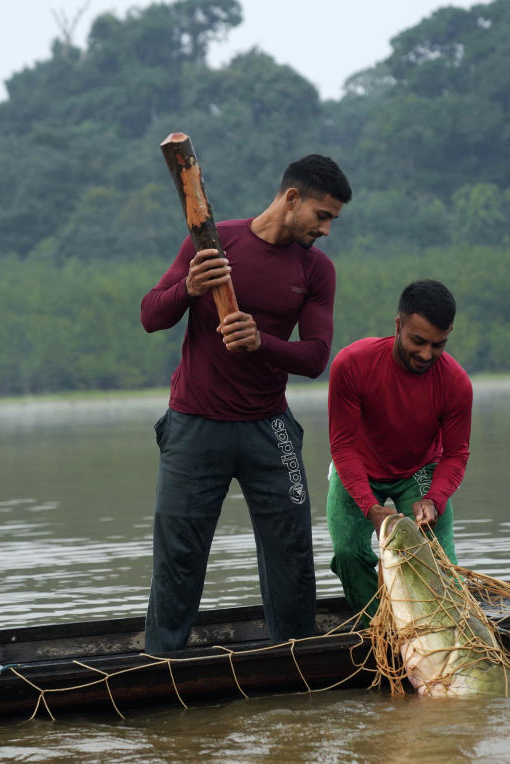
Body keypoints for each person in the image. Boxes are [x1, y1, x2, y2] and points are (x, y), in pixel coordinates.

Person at [140, 154, 353, 654]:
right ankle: (163, 660)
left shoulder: (317, 271)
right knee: (180, 554)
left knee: (293, 549)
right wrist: (189, 287)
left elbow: (316, 357)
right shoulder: (215, 244)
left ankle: (295, 661)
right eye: (322, 216)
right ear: (292, 198)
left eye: (332, 221)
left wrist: (263, 342)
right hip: (194, 424)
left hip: (270, 427)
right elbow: (151, 315)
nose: (326, 229)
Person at [325, 279, 472, 621]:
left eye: (438, 345)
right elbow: (342, 446)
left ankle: (439, 629)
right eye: (417, 341)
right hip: (358, 466)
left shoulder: (456, 383)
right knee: (349, 553)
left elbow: (455, 454)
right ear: (398, 325)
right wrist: (370, 508)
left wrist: (434, 498)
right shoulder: (352, 364)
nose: (426, 354)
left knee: (439, 564)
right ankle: (382, 627)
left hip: (418, 471)